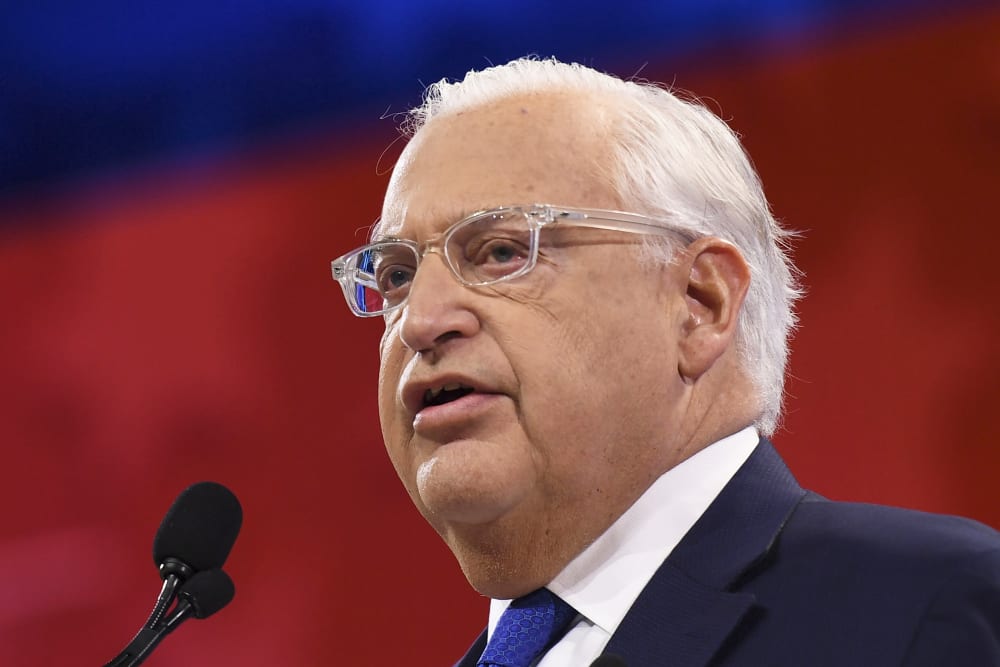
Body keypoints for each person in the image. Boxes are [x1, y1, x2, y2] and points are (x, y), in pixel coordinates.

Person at [330, 57, 1000, 666]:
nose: (418, 319)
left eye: (502, 251)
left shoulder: (923, 609)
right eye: (395, 275)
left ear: (699, 303)